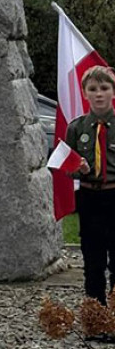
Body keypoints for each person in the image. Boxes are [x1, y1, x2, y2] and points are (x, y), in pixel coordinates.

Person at [64, 65, 115, 305]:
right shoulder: (77, 128)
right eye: (93, 89)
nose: (99, 94)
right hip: (90, 198)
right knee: (93, 259)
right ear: (85, 93)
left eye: (104, 88)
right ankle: (96, 317)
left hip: (114, 196)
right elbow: (64, 166)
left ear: (113, 92)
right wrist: (77, 168)